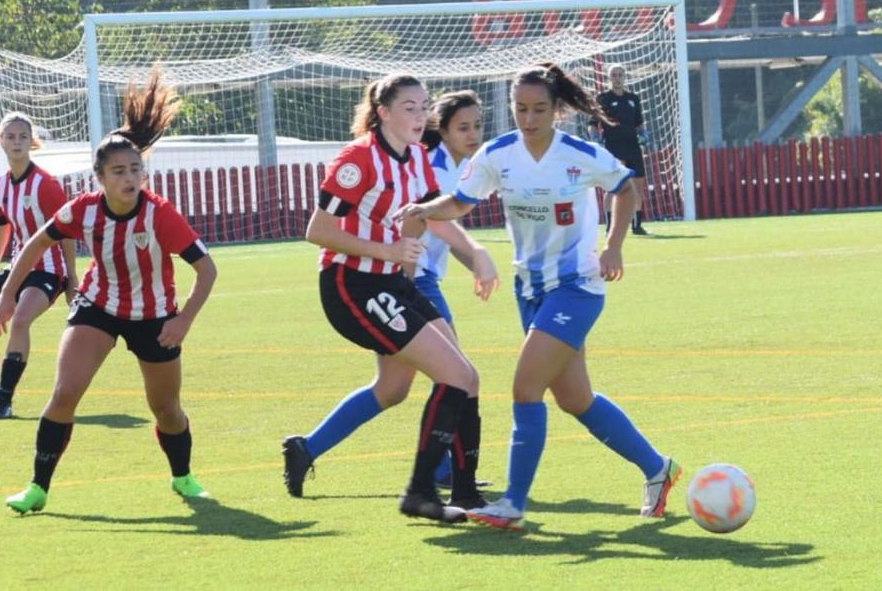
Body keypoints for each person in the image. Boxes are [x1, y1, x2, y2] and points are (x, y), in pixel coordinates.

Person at [398, 63, 681, 531]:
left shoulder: (577, 153)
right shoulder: (497, 154)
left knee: (525, 389)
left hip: (577, 288)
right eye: (520, 109)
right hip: (528, 288)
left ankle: (511, 502)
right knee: (576, 399)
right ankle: (658, 468)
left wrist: (612, 246)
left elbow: (626, 189)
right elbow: (462, 203)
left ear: (557, 111)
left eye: (539, 109)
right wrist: (424, 210)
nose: (529, 119)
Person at [0, 70, 218, 514]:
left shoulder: (161, 215)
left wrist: (183, 319)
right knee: (64, 393)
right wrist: (5, 295)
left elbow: (206, 269)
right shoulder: (83, 209)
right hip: (97, 306)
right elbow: (36, 243)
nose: (129, 178)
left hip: (155, 316)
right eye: (118, 171)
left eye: (135, 169)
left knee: (166, 408)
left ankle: (183, 477)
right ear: (99, 176)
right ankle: (37, 488)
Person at [281, 73, 485, 522]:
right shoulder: (358, 159)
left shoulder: (416, 158)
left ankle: (466, 493)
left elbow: (426, 215)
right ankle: (421, 492)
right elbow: (317, 231)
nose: (420, 115)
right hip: (350, 285)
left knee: (406, 387)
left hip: (390, 282)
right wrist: (389, 252)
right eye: (409, 107)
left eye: (423, 106)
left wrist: (478, 205)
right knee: (455, 375)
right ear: (384, 113)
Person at [0, 113, 77, 421]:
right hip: (17, 268)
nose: (16, 142)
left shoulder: (46, 185)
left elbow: (66, 233)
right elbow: (1, 232)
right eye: (10, 136)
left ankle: (5, 401)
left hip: (48, 269)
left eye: (22, 137)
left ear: (31, 142)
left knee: (20, 320)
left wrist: (72, 279)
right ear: (0, 141)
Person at [413, 91, 499, 490]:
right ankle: (444, 471)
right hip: (416, 278)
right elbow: (432, 220)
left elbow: (446, 228)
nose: (473, 134)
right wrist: (477, 255)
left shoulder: (455, 166)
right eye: (462, 127)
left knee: (389, 390)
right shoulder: (436, 169)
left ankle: (307, 447)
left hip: (420, 275)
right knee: (458, 373)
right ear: (442, 129)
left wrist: (473, 261)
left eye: (477, 126)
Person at [588, 64, 651, 235]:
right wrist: (595, 140)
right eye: (614, 75)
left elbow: (639, 124)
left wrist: (644, 134)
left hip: (633, 146)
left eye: (620, 75)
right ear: (609, 78)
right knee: (613, 187)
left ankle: (637, 225)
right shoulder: (602, 99)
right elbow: (593, 125)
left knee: (637, 187)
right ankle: (609, 226)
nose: (617, 78)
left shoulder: (633, 99)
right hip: (613, 147)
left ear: (625, 77)